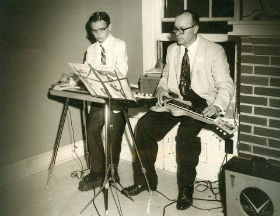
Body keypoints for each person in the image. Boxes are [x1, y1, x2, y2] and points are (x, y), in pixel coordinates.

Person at [124, 10, 234, 210]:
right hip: (175, 101)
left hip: (201, 103)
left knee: (185, 137)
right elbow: (165, 78)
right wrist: (162, 90)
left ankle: (186, 189)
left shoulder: (214, 50)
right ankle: (145, 181)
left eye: (183, 29)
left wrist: (217, 106)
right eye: (176, 29)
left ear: (196, 29)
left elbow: (226, 85)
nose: (178, 33)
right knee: (144, 125)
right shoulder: (172, 50)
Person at [78, 11, 128, 191]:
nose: (98, 34)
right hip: (99, 98)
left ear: (109, 27)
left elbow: (121, 71)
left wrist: (100, 74)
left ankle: (112, 171)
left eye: (102, 30)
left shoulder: (119, 45)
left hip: (115, 98)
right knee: (92, 130)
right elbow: (87, 74)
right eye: (94, 31)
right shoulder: (90, 50)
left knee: (113, 135)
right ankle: (97, 172)